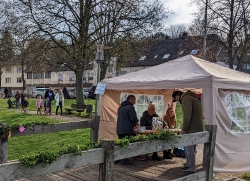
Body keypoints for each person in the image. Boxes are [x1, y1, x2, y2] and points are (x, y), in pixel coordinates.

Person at [172, 90, 204, 175]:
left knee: (189, 148)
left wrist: (184, 129)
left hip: (192, 128)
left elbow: (187, 115)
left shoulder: (186, 98)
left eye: (176, 99)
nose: (177, 102)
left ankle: (191, 168)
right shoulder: (193, 98)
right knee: (191, 149)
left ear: (178, 96)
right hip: (198, 127)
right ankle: (189, 165)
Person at [117, 95, 139, 165]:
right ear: (131, 100)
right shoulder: (130, 107)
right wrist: (136, 123)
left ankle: (119, 158)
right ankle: (125, 159)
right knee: (127, 144)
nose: (135, 102)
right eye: (134, 100)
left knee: (121, 144)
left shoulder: (120, 107)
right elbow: (133, 117)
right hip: (127, 129)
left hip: (119, 129)